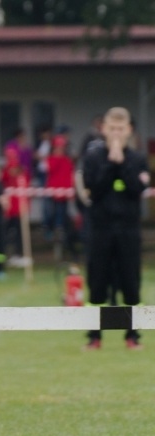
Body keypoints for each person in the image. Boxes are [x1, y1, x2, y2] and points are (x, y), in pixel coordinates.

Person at [81, 107, 150, 350]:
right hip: (100, 229)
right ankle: (94, 337)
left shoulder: (139, 159)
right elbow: (94, 189)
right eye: (112, 128)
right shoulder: (92, 158)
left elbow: (137, 189)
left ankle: (132, 336)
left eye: (121, 129)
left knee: (131, 283)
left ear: (129, 130)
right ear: (103, 130)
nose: (117, 133)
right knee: (97, 283)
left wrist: (122, 163)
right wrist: (111, 163)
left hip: (128, 230)